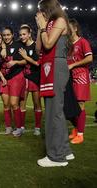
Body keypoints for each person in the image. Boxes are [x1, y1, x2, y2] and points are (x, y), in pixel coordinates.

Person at [35, 0, 74, 167]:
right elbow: (39, 48)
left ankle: (56, 157)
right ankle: (65, 150)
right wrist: (40, 27)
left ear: (48, 10)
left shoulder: (60, 21)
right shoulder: (48, 24)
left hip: (56, 66)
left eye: (42, 11)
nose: (40, 13)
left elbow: (49, 43)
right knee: (55, 111)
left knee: (53, 112)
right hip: (49, 66)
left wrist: (43, 26)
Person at [68, 18, 93, 144]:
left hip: (81, 76)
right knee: (69, 106)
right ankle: (76, 128)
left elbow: (89, 58)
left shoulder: (83, 42)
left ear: (75, 28)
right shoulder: (68, 45)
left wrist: (73, 65)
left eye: (69, 28)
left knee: (79, 105)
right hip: (70, 78)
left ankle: (80, 134)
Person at [0, 27, 26, 136]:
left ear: (12, 35)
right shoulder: (0, 46)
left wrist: (15, 62)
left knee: (14, 103)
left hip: (16, 76)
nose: (6, 37)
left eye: (8, 35)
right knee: (6, 104)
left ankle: (19, 128)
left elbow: (25, 60)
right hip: (4, 78)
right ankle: (8, 127)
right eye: (4, 35)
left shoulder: (19, 45)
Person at [18, 25, 42, 136]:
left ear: (29, 34)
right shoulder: (20, 46)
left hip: (35, 78)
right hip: (24, 79)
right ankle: (21, 127)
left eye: (24, 34)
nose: (22, 36)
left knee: (37, 103)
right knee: (22, 103)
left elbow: (37, 63)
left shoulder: (35, 46)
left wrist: (25, 57)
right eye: (20, 34)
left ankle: (37, 128)